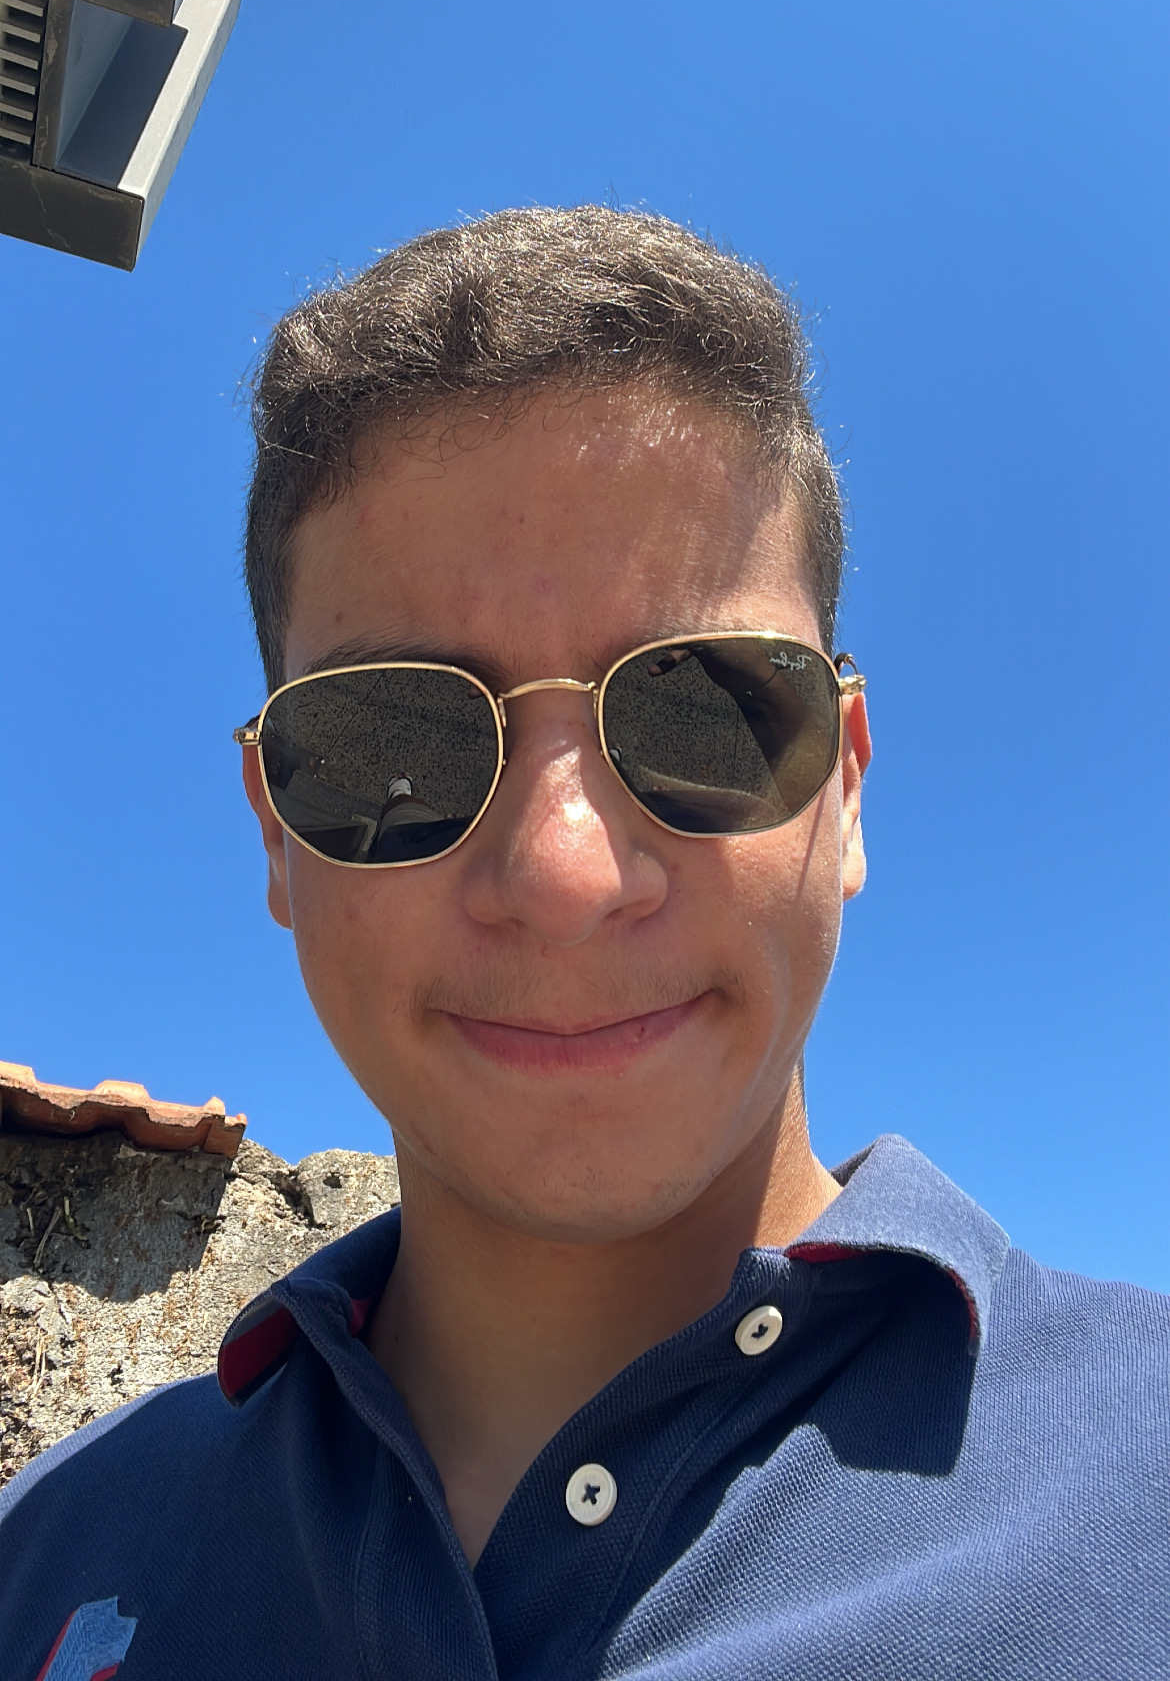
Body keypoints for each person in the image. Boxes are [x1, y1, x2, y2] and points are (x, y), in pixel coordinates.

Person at [2, 207, 1166, 1679]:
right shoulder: (48, 1553)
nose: (563, 876)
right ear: (277, 837)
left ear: (847, 787)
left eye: (702, 714)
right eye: (391, 745)